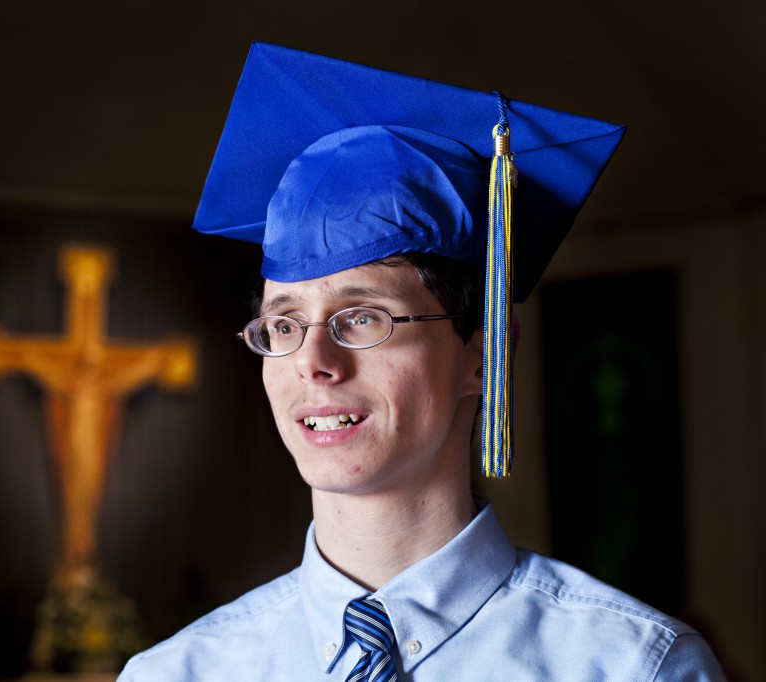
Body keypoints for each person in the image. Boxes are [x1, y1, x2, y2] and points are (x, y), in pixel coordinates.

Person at [119, 42, 726, 680]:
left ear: (483, 356)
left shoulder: (631, 666)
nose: (314, 362)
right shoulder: (178, 673)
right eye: (283, 325)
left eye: (362, 318)